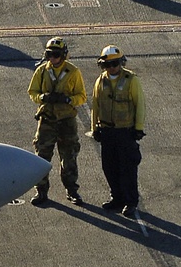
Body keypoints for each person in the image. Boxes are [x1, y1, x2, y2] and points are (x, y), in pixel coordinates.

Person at [27, 37, 86, 206]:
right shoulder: (42, 71)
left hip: (66, 121)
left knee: (69, 156)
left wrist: (68, 100)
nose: (52, 58)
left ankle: (72, 190)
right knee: (42, 156)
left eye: (56, 55)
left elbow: (81, 96)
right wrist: (42, 97)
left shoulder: (73, 72)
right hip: (47, 120)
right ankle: (41, 190)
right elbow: (32, 92)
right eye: (49, 54)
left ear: (63, 55)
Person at [90, 45, 146, 217]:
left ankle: (130, 202)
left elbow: (140, 105)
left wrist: (138, 129)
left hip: (125, 132)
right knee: (109, 167)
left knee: (127, 168)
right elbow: (95, 105)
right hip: (107, 131)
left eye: (115, 64)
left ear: (121, 63)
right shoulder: (101, 81)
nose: (112, 68)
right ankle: (117, 198)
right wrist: (95, 129)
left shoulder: (131, 80)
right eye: (107, 65)